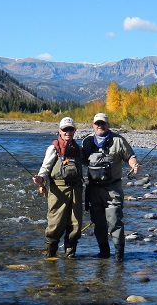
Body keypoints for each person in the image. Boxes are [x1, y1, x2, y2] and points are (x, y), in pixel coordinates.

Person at [81, 112, 139, 261]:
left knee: (114, 222)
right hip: (93, 190)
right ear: (93, 125)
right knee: (98, 224)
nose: (100, 126)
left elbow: (130, 157)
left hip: (112, 189)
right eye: (97, 124)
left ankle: (119, 256)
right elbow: (80, 160)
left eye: (103, 123)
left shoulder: (118, 141)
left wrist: (134, 165)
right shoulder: (87, 142)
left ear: (108, 125)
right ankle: (104, 253)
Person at [32, 117, 83, 258]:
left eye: (70, 129)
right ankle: (50, 254)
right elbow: (45, 167)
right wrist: (40, 178)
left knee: (75, 225)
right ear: (59, 131)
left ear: (74, 131)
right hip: (57, 190)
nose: (67, 132)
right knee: (55, 224)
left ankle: (70, 255)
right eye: (64, 129)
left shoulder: (78, 149)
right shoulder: (53, 148)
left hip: (76, 190)